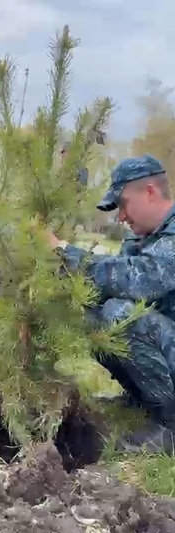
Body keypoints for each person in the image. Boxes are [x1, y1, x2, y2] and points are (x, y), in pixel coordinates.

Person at [48, 155, 175, 454]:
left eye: (122, 204)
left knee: (122, 316)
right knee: (93, 315)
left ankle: (171, 426)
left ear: (150, 192)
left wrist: (66, 252)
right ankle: (145, 399)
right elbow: (108, 284)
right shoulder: (143, 239)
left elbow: (140, 279)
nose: (120, 217)